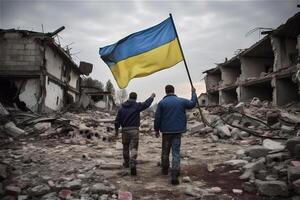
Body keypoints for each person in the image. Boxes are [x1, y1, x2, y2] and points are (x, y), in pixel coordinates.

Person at [154, 85, 197, 185]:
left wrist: (156, 130)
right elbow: (192, 104)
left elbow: (157, 118)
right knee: (176, 153)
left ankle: (165, 170)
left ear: (166, 91)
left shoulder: (161, 103)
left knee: (165, 151)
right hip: (178, 131)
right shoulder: (181, 101)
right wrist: (193, 93)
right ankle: (175, 174)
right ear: (174, 91)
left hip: (165, 131)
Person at [115, 92, 155, 176]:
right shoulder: (136, 106)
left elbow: (117, 120)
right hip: (134, 130)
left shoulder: (122, 107)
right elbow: (146, 104)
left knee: (125, 147)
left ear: (129, 97)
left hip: (125, 130)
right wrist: (151, 97)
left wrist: (116, 131)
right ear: (136, 98)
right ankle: (132, 163)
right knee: (133, 148)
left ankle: (126, 163)